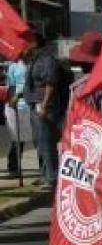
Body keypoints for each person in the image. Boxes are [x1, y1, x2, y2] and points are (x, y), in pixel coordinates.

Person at [23, 32, 62, 190]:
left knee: (46, 141)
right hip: (34, 103)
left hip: (43, 104)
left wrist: (45, 105)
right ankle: (45, 174)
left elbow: (50, 83)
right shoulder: (35, 59)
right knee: (39, 141)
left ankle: (52, 177)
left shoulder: (46, 59)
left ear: (34, 41)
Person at [4, 57, 31, 177]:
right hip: (18, 106)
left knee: (37, 139)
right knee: (17, 139)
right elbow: (11, 86)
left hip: (32, 104)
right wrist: (11, 101)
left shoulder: (34, 64)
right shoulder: (13, 66)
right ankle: (13, 167)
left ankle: (44, 170)